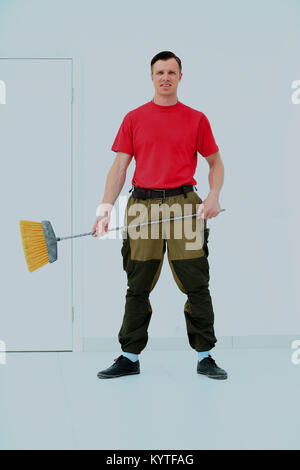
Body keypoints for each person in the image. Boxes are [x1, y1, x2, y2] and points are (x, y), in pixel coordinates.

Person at [92, 51, 227, 380]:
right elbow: (120, 167)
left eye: (172, 72)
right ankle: (129, 357)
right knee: (138, 284)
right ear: (151, 77)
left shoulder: (196, 119)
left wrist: (212, 196)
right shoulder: (134, 118)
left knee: (196, 282)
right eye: (159, 72)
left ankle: (205, 356)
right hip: (142, 207)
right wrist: (105, 209)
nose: (165, 77)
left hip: (186, 205)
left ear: (181, 77)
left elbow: (215, 163)